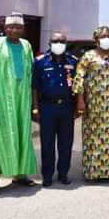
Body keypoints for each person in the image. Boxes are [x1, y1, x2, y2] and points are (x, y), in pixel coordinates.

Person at [0, 12, 37, 196]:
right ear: (4, 28)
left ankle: (19, 173)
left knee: (21, 136)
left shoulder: (26, 45)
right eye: (10, 27)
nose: (14, 30)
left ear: (23, 29)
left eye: (18, 27)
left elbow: (30, 74)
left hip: (22, 101)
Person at [73, 26, 109, 181]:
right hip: (94, 105)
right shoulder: (88, 56)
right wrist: (80, 101)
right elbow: (79, 79)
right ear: (96, 39)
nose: (106, 39)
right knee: (93, 137)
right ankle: (92, 172)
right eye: (103, 36)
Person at [32, 32, 78, 186]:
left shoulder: (73, 61)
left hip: (67, 106)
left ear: (66, 43)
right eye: (55, 41)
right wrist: (35, 109)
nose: (58, 43)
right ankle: (47, 175)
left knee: (66, 143)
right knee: (47, 143)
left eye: (61, 41)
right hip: (47, 107)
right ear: (49, 43)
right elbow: (34, 88)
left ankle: (63, 173)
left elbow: (77, 86)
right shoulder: (40, 62)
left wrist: (78, 107)